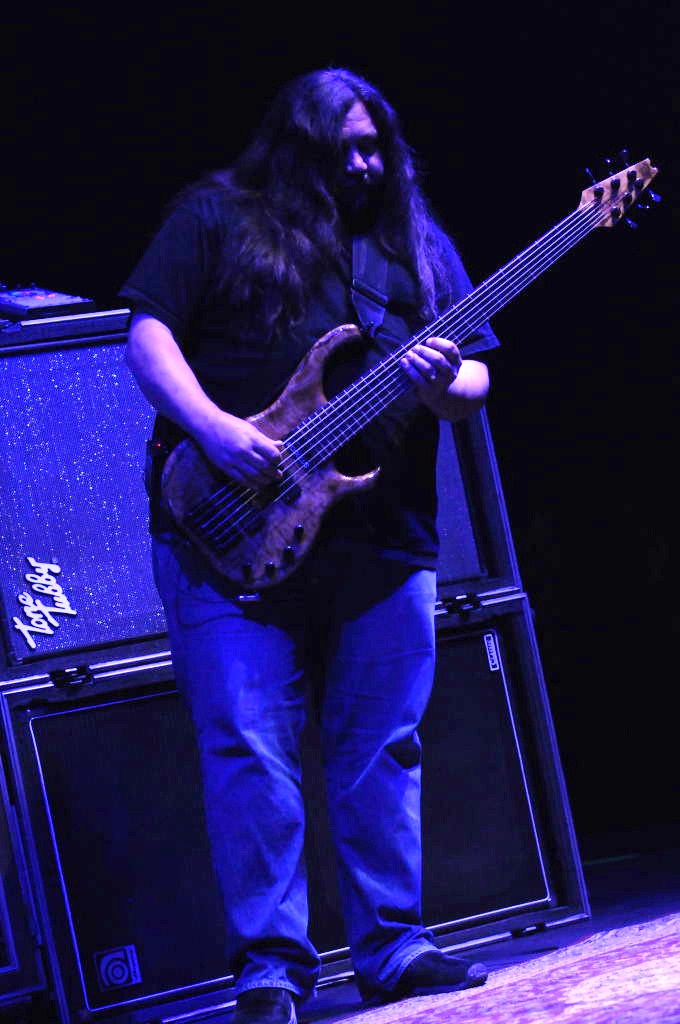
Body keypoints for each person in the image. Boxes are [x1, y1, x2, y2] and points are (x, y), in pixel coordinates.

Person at [121, 67, 500, 1024]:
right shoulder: (216, 217)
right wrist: (214, 430)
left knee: (384, 747)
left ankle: (395, 948)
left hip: (383, 540)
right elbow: (147, 333)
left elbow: (477, 379)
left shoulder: (413, 240)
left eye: (377, 147)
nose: (366, 165)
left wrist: (443, 385)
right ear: (297, 150)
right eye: (347, 148)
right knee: (249, 753)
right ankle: (271, 972)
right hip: (226, 534)